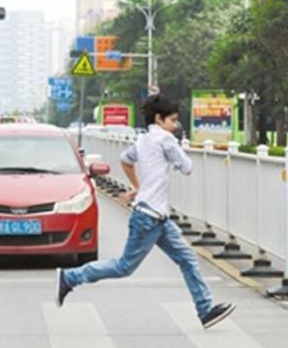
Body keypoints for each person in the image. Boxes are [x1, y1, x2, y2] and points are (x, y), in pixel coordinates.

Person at [55, 93, 236, 330]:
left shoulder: (143, 140)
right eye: (173, 120)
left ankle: (205, 310)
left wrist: (138, 187)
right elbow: (187, 167)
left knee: (188, 259)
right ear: (159, 119)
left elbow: (125, 159)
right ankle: (69, 278)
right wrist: (180, 141)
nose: (175, 125)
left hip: (156, 217)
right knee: (124, 267)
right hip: (149, 218)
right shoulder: (166, 140)